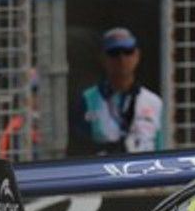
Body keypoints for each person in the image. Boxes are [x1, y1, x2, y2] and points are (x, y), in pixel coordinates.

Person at [70, 27, 164, 155]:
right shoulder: (87, 99)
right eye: (114, 53)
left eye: (127, 52)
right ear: (103, 58)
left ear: (137, 56)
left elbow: (161, 147)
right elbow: (79, 148)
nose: (122, 59)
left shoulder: (154, 102)